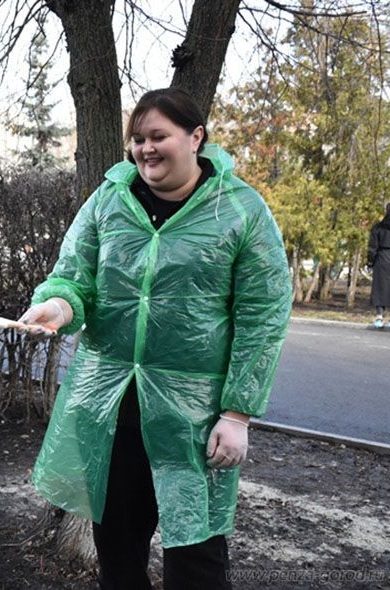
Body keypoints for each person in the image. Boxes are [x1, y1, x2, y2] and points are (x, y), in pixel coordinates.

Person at [19, 88, 292, 589]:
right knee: (118, 554)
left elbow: (263, 315)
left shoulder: (241, 211)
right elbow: (74, 278)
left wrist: (237, 414)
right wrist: (58, 306)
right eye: (138, 138)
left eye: (158, 136)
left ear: (196, 137)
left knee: (198, 560)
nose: (146, 148)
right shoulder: (108, 200)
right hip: (112, 405)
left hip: (197, 415)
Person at [367, 203, 390, 328]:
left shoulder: (378, 227)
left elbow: (372, 247)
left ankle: (379, 316)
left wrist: (370, 262)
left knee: (381, 287)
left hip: (382, 258)